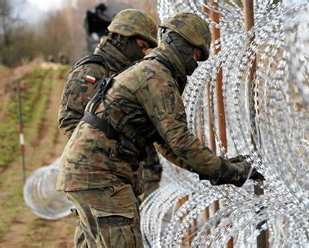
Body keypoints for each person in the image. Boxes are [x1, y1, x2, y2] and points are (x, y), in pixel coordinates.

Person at [57, 12, 263, 247]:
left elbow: (166, 145)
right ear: (179, 44)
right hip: (102, 178)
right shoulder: (157, 78)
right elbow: (180, 141)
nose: (194, 64)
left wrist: (220, 168)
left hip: (92, 176)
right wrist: (228, 171)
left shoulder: (151, 71)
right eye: (195, 54)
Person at [58, 9, 162, 200]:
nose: (143, 53)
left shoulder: (127, 75)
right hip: (99, 179)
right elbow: (70, 119)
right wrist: (104, 158)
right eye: (141, 46)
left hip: (122, 176)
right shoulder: (93, 70)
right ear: (123, 39)